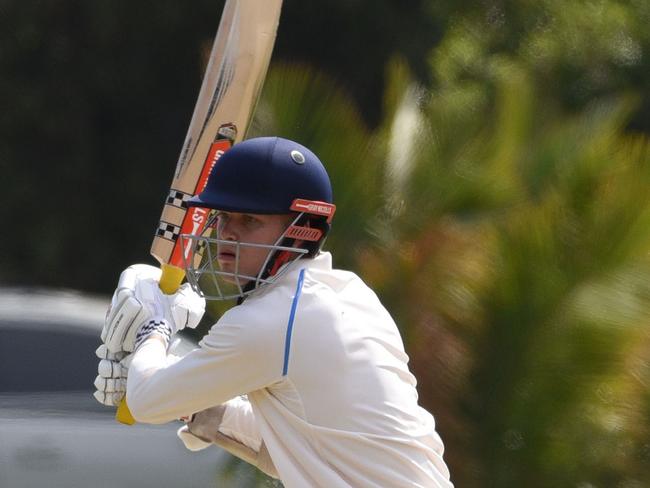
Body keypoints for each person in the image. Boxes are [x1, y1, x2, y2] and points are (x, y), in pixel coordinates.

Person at [94, 137, 453, 487]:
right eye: (223, 216)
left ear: (300, 232)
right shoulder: (350, 294)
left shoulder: (271, 321)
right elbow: (307, 451)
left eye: (249, 220)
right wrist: (194, 401)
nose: (227, 234)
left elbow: (145, 402)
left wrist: (154, 328)